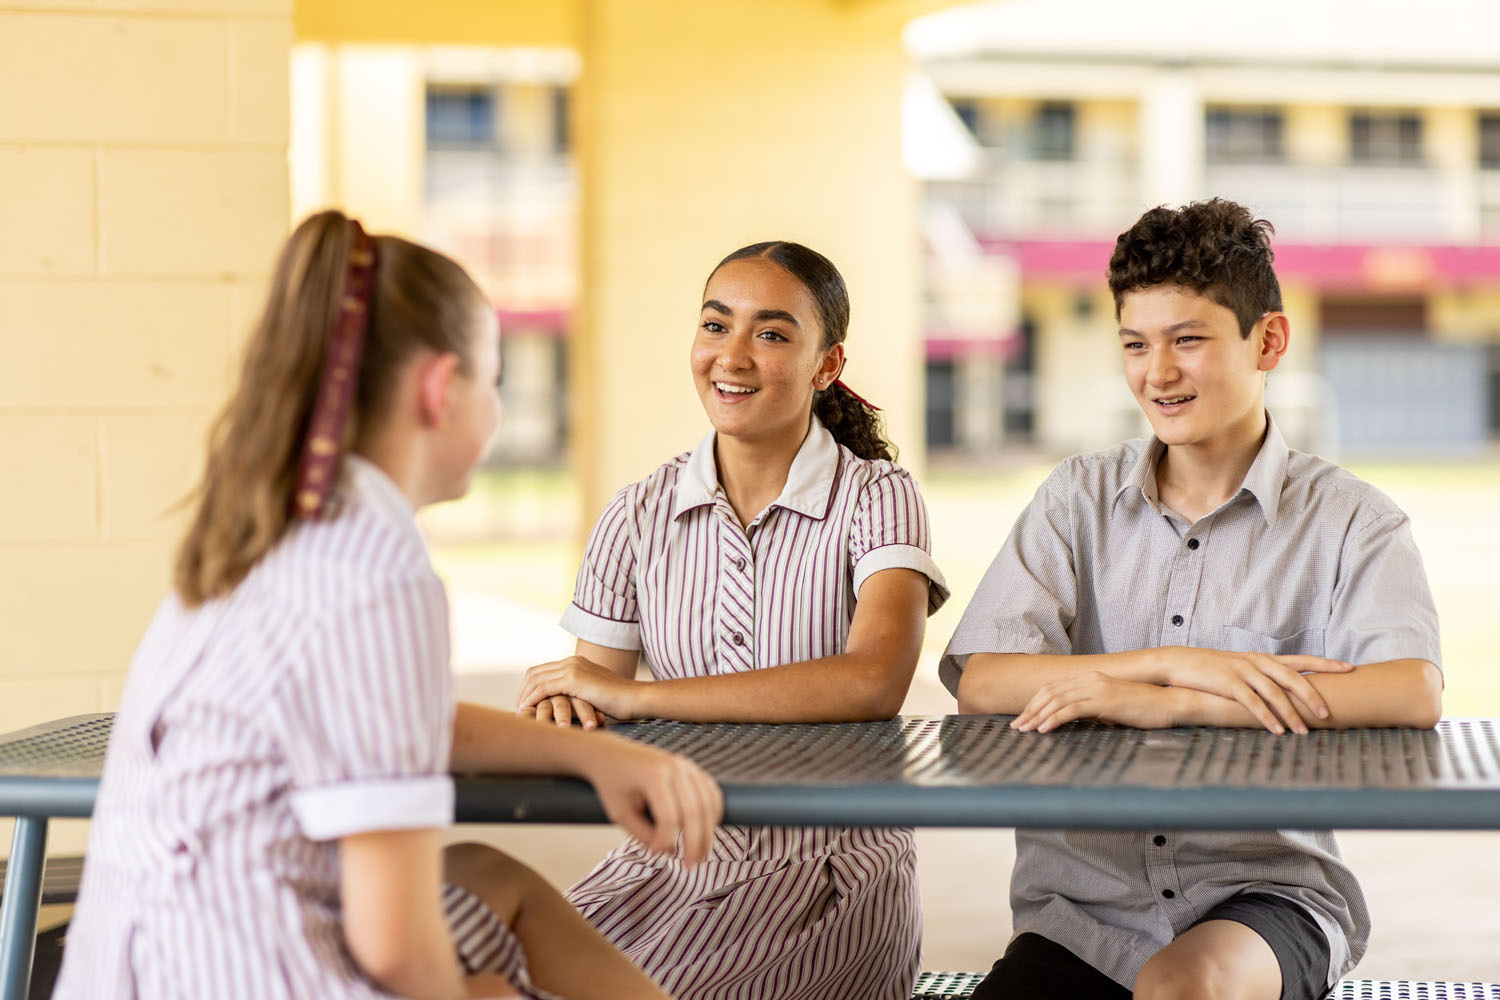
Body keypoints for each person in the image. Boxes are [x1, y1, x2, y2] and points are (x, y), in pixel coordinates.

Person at [54, 211, 722, 1000]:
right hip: (251, 978)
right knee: (491, 988)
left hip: (138, 969)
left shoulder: (260, 535)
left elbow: (391, 717)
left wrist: (597, 754)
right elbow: (398, 949)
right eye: (493, 381)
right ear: (440, 389)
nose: (496, 410)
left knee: (490, 879)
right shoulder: (378, 576)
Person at [941, 199, 1443, 1000]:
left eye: (1188, 340)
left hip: (1267, 895)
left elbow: (1410, 690)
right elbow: (984, 681)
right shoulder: (1075, 498)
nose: (1157, 373)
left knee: (1182, 988)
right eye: (1135, 344)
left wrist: (1170, 704)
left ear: (1268, 341)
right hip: (1082, 909)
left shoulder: (1353, 519)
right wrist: (1176, 664)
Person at [453, 241, 949, 1000]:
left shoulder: (878, 497)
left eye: (771, 334)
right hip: (666, 865)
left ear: (827, 366)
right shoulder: (636, 514)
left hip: (824, 881)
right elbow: (591, 706)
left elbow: (873, 681)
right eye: (716, 325)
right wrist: (570, 707)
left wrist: (638, 697)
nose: (733, 356)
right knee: (465, 950)